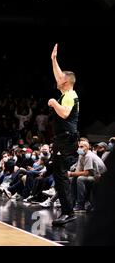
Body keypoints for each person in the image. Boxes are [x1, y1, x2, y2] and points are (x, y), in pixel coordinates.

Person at [48, 43, 80, 226]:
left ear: (65, 82)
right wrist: (54, 60)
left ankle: (68, 212)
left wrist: (53, 103)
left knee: (61, 175)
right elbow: (59, 75)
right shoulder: (67, 92)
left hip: (66, 138)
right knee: (59, 175)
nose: (57, 79)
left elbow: (65, 114)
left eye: (60, 78)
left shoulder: (69, 95)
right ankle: (67, 210)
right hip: (63, 138)